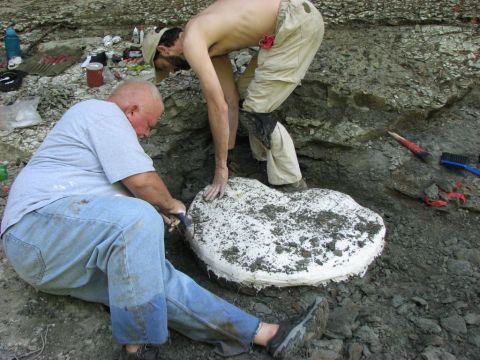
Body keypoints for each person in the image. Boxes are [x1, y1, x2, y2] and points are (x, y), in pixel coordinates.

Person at [0, 80, 329, 360]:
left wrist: (150, 215)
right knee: (139, 217)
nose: (145, 136)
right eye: (149, 125)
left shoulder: (95, 162)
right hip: (36, 228)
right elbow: (142, 181)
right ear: (131, 111)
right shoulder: (97, 112)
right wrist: (173, 206)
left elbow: (109, 211)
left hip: (57, 262)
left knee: (155, 282)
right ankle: (138, 349)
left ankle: (266, 334)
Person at [142, 0, 324, 201]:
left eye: (163, 67)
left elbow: (217, 107)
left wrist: (220, 169)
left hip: (296, 22)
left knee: (257, 109)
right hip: (285, 26)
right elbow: (229, 101)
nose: (172, 71)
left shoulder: (193, 40)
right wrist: (228, 158)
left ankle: (291, 182)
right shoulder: (208, 44)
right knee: (246, 93)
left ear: (164, 50)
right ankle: (261, 160)